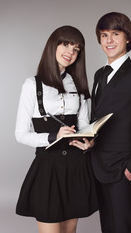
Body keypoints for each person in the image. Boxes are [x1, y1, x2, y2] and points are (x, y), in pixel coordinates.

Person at [71, 12, 131, 232]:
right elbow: (99, 119)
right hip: (97, 165)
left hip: (122, 168)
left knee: (123, 226)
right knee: (108, 226)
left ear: (128, 38)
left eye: (115, 34)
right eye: (104, 35)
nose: (109, 41)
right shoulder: (99, 75)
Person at [15, 25, 98, 233]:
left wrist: (89, 141)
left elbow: (85, 126)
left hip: (76, 167)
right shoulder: (31, 85)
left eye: (76, 48)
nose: (71, 52)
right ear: (53, 44)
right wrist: (53, 135)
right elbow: (20, 134)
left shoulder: (79, 85)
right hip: (48, 169)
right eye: (66, 44)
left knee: (70, 231)